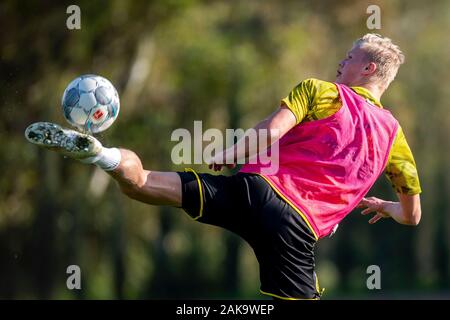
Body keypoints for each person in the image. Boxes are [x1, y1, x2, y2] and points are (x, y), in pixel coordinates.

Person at [25, 33, 422, 300]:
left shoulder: (323, 91)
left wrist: (234, 152)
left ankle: (97, 153)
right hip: (296, 231)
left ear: (368, 69)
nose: (340, 62)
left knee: (141, 182)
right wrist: (385, 207)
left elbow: (272, 129)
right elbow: (412, 215)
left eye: (349, 58)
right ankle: (96, 152)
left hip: (255, 192)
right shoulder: (394, 137)